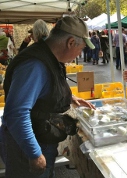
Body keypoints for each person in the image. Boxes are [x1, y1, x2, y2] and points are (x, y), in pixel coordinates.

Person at [1, 16, 95, 177]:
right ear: (71, 42)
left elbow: (47, 86)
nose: (81, 53)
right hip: (27, 147)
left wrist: (70, 98)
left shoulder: (48, 56)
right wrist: (34, 153)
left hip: (41, 136)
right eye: (82, 48)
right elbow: (16, 114)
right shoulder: (35, 65)